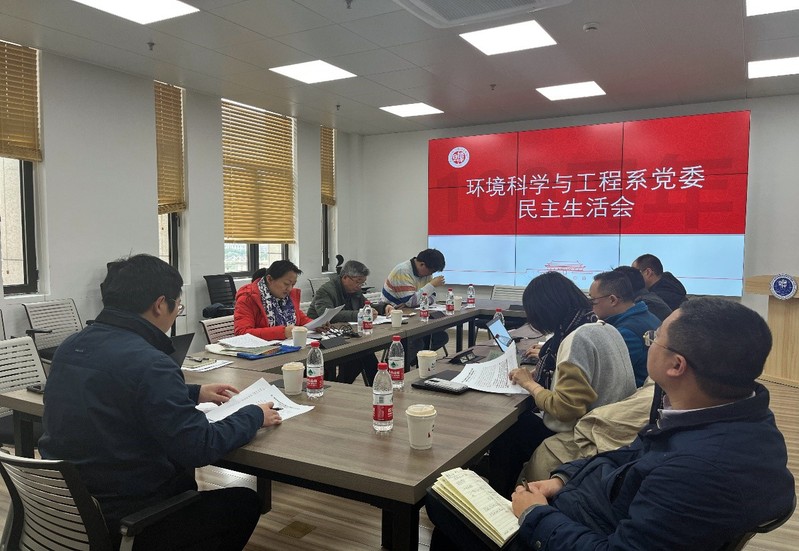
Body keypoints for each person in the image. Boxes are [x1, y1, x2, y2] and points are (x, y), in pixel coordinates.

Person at [427, 298, 795, 551]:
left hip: (567, 531)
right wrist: (562, 479)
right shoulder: (725, 416)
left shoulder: (697, 470)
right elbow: (629, 454)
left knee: (443, 499)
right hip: (583, 507)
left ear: (676, 365)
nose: (649, 342)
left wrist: (536, 515)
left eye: (655, 339)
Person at [39, 254, 282, 551]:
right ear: (159, 304)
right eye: (178, 306)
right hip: (130, 518)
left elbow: (116, 390)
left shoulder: (70, 346)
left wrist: (193, 392)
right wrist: (253, 415)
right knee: (244, 502)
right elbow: (198, 446)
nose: (176, 313)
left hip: (67, 509)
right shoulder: (151, 362)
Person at [488, 272, 636, 497]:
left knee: (510, 431)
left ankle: (501, 497)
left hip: (584, 437)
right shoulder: (604, 327)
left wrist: (530, 384)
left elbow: (565, 409)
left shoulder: (577, 339)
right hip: (611, 431)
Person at [307, 260, 393, 384]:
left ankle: (375, 384)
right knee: (362, 353)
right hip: (320, 337)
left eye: (362, 282)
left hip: (345, 334)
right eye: (358, 282)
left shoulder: (355, 291)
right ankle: (376, 384)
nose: (360, 286)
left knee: (364, 352)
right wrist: (360, 314)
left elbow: (366, 305)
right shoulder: (326, 290)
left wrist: (383, 307)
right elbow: (327, 315)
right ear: (345, 277)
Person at [589, 271, 662, 386]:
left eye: (593, 301)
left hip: (633, 393)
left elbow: (603, 377)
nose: (590, 306)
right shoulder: (649, 317)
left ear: (612, 300)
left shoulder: (625, 333)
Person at [382, 248, 448, 358]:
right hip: (393, 315)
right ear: (422, 264)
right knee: (417, 342)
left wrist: (415, 301)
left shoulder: (426, 272)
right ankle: (398, 364)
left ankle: (417, 361)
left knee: (441, 337)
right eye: (431, 271)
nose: (430, 274)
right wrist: (431, 285)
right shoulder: (402, 271)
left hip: (412, 314)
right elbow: (411, 301)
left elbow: (432, 298)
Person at [234, 259, 312, 340]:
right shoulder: (248, 297)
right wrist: (283, 332)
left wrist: (315, 325)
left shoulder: (288, 297)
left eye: (293, 284)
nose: (290, 289)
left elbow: (300, 319)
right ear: (269, 279)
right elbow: (242, 333)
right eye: (286, 284)